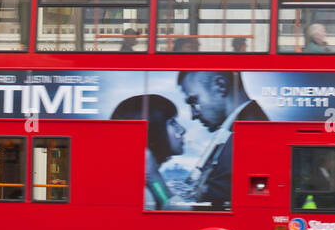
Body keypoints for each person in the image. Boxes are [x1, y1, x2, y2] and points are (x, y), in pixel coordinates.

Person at [177, 71, 267, 209]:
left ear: (220, 86)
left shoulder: (250, 132)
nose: (193, 115)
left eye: (194, 101)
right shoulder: (235, 129)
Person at [111, 95, 186, 208]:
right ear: (153, 129)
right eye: (172, 122)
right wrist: (155, 179)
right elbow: (178, 221)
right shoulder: (142, 194)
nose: (182, 130)